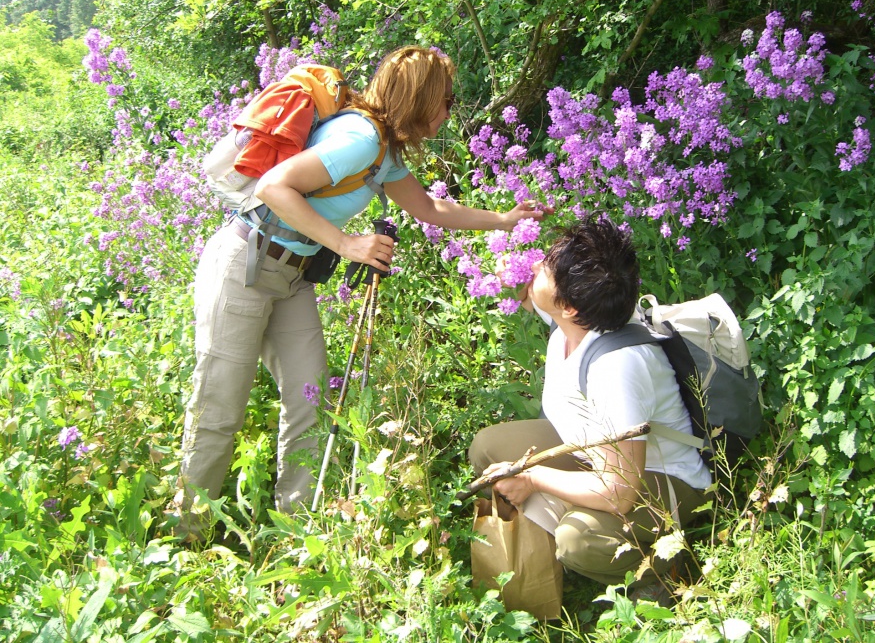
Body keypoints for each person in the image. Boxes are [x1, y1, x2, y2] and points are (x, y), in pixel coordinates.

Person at [175, 46, 546, 538]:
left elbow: (431, 209)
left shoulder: (385, 152)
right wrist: (347, 243)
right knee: (221, 407)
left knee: (310, 402)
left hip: (291, 277)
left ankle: (294, 530)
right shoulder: (359, 138)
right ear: (421, 98)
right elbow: (273, 187)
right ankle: (187, 534)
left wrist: (504, 219)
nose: (448, 111)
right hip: (243, 266)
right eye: (446, 100)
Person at [469, 215, 712, 600]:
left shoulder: (617, 368)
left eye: (546, 267)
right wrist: (512, 279)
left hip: (659, 478)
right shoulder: (583, 311)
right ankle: (556, 522)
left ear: (568, 307)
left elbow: (619, 492)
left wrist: (533, 478)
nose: (535, 265)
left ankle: (661, 575)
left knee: (579, 540)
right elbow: (535, 295)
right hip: (593, 453)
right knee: (488, 448)